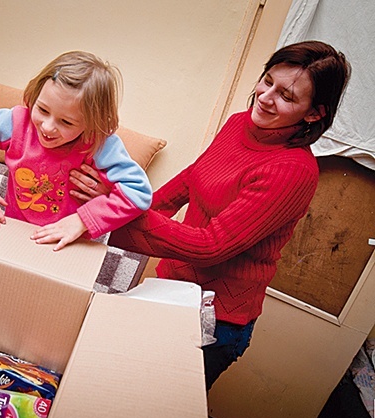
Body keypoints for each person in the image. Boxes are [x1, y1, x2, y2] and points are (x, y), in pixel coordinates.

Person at [69, 40, 351, 390]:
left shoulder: (292, 171)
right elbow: (191, 180)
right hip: (170, 288)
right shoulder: (238, 124)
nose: (265, 97)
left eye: (287, 96)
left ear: (313, 113)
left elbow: (211, 246)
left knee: (155, 412)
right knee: (119, 383)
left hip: (216, 319)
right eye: (267, 81)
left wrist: (118, 212)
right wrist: (121, 205)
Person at [0, 50, 152, 251]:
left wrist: (82, 220)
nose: (47, 127)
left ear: (91, 124)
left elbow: (138, 192)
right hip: (12, 231)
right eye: (43, 110)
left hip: (67, 245)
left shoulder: (98, 145)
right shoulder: (17, 122)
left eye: (66, 122)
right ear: (35, 95)